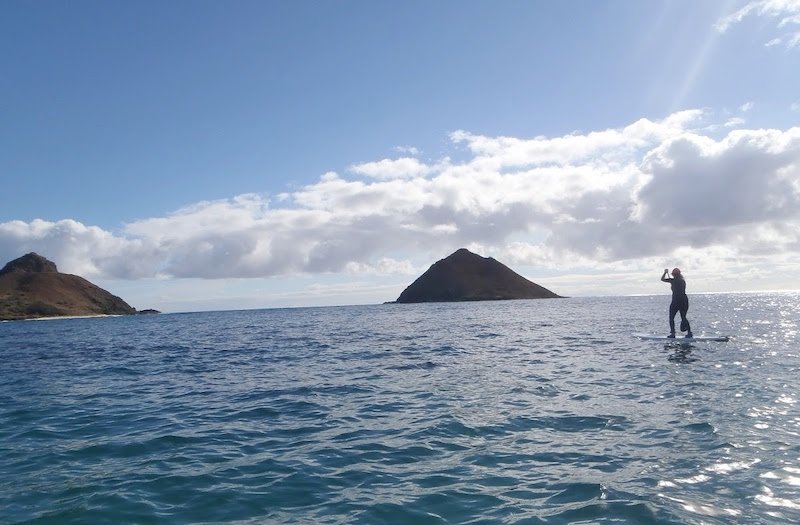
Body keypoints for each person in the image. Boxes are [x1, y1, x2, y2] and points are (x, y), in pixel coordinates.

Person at [661, 268, 692, 338]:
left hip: (677, 301)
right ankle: (689, 332)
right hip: (683, 300)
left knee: (672, 318)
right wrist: (666, 274)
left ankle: (673, 333)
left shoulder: (676, 280)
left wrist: (665, 273)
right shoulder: (679, 280)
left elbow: (662, 279)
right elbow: (663, 280)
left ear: (674, 274)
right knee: (683, 317)